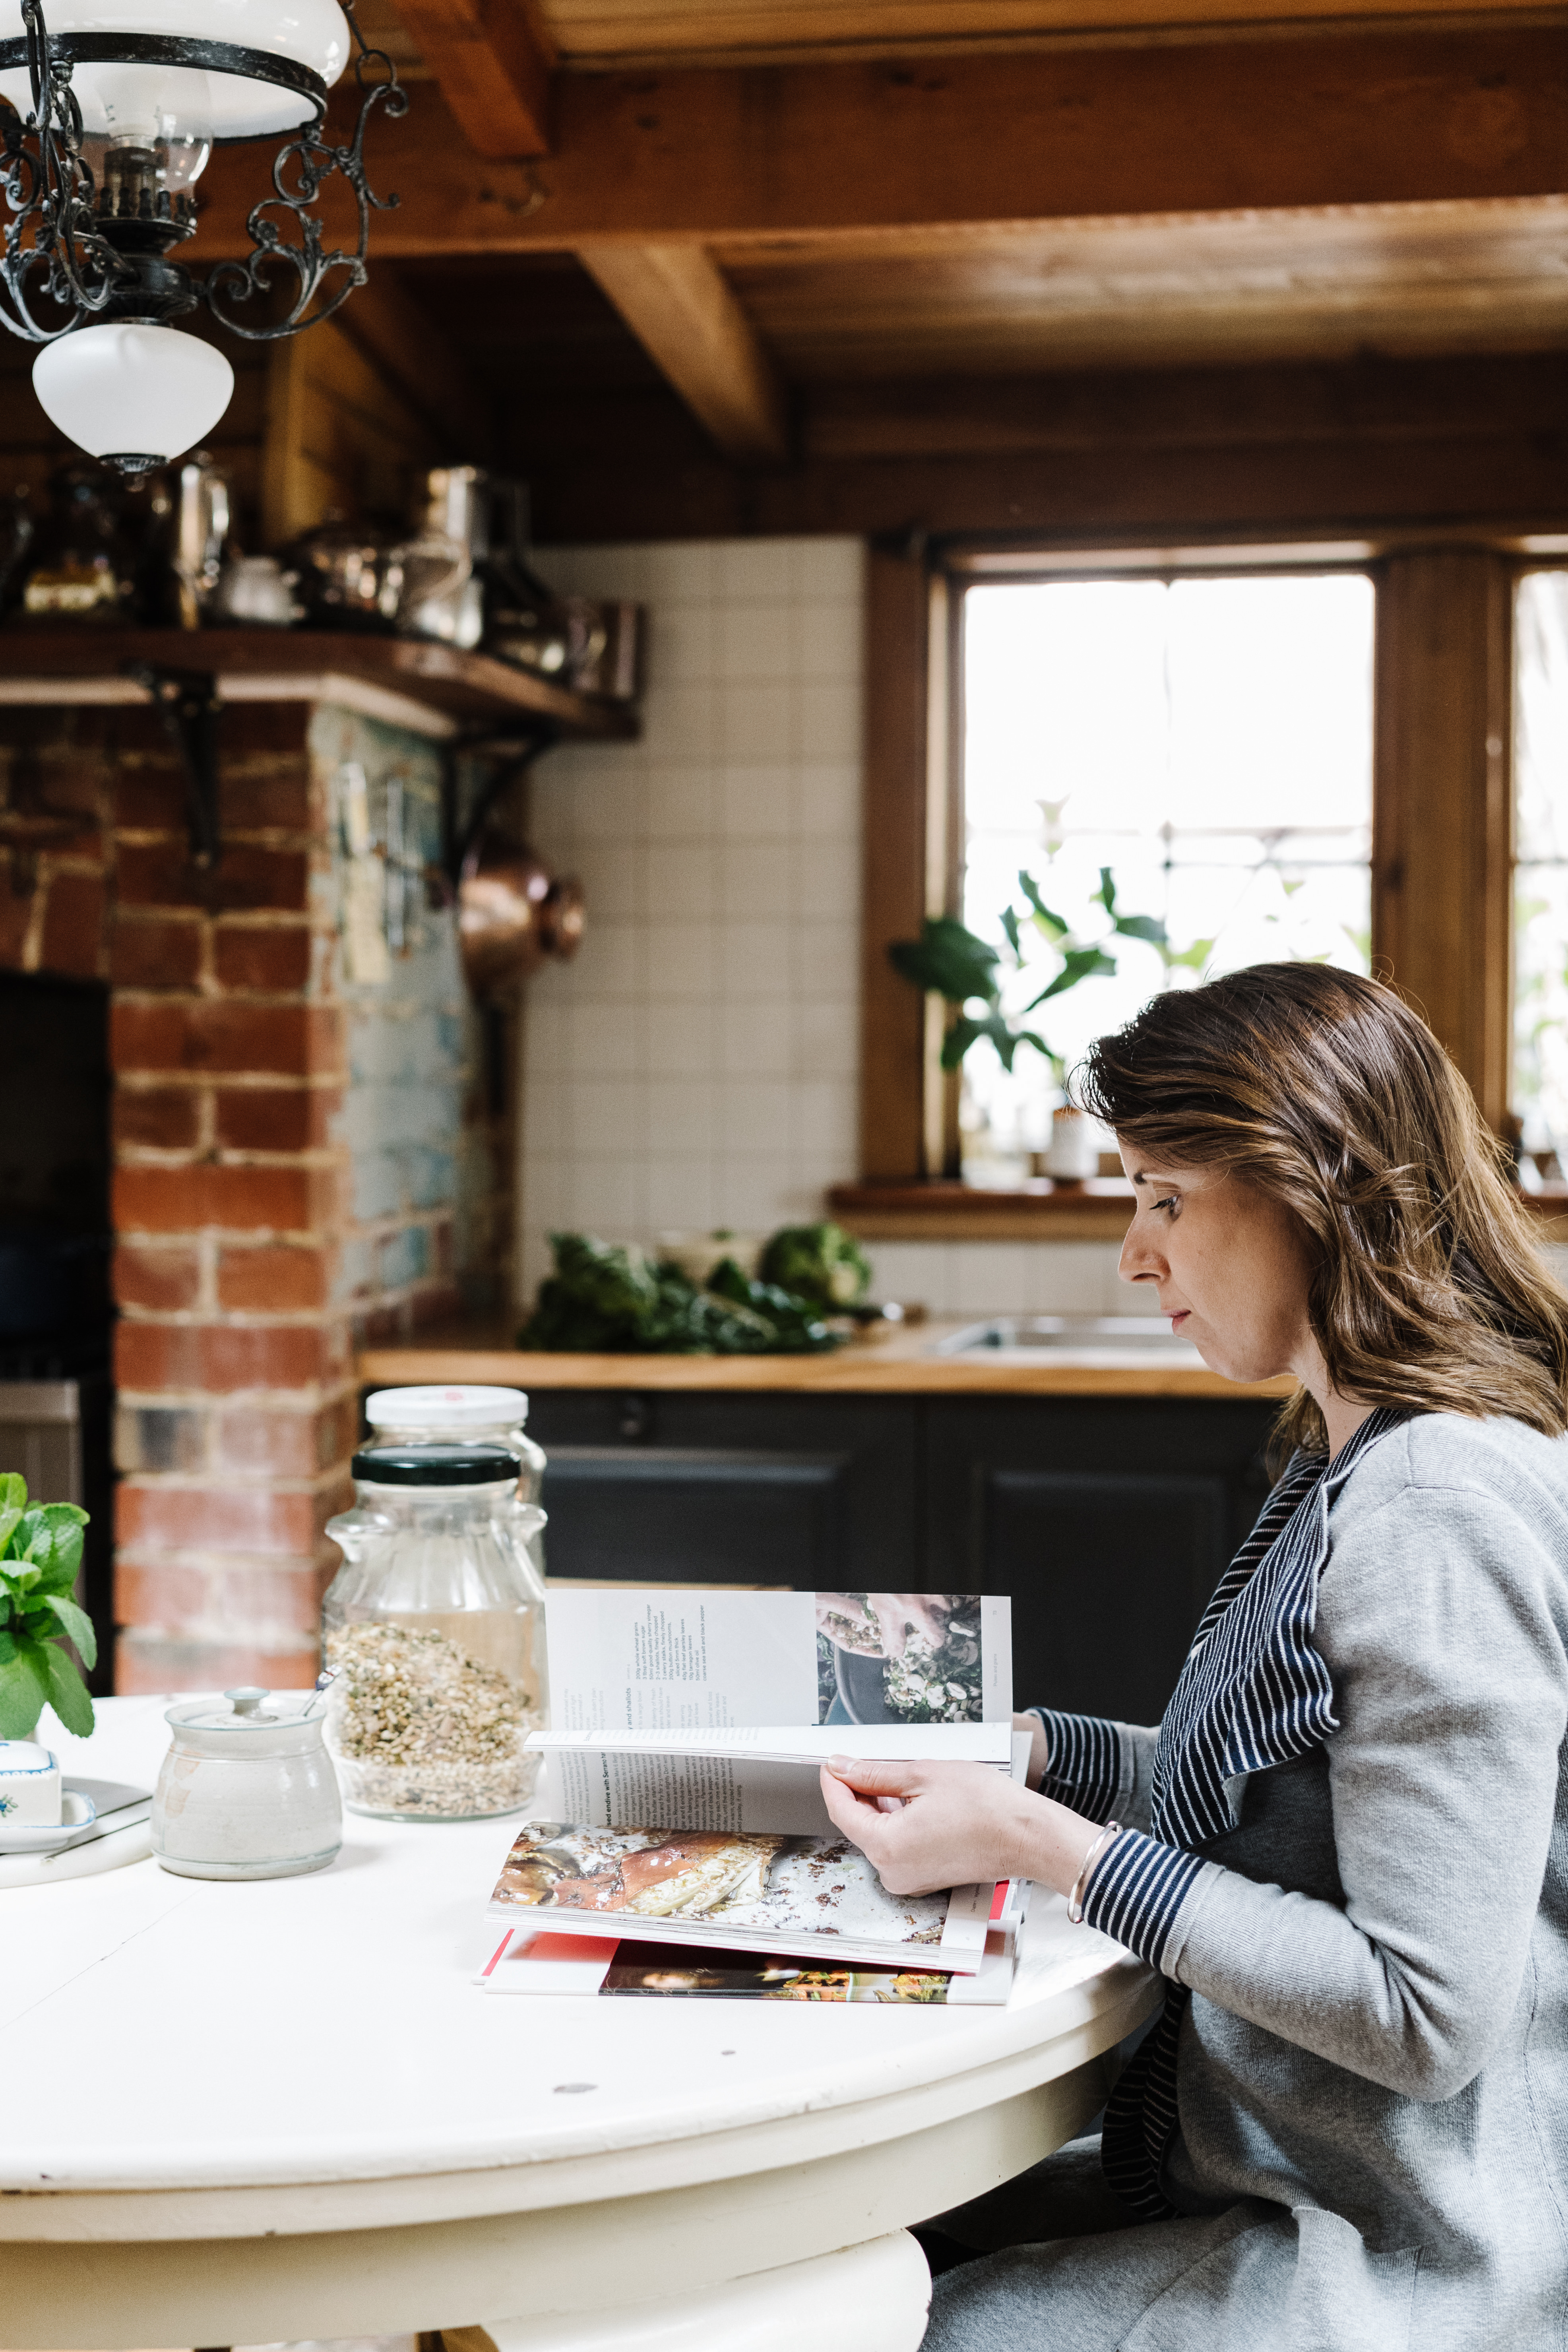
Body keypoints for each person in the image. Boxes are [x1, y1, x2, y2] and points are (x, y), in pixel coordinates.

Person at [820, 963, 1568, 2352]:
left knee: (852, 2314)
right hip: (1288, 2176)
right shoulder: (1364, 1451)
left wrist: (1051, 1847)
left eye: (1164, 1196)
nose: (1133, 1252)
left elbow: (1423, 2014)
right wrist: (1048, 1756)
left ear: (1311, 1186)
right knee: (838, 2242)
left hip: (1401, 2256)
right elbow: (1317, 1798)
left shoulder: (1433, 1510)